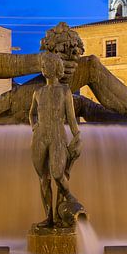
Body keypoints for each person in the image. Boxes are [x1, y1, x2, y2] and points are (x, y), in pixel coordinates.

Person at [29, 55, 82, 228]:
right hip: (40, 137)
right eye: (44, 65)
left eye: (49, 65)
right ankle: (50, 217)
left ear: (57, 68)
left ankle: (69, 196)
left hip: (58, 136)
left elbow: (72, 119)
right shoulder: (38, 92)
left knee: (58, 174)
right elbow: (32, 113)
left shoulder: (65, 91)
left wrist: (77, 136)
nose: (45, 68)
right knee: (43, 179)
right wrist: (34, 126)